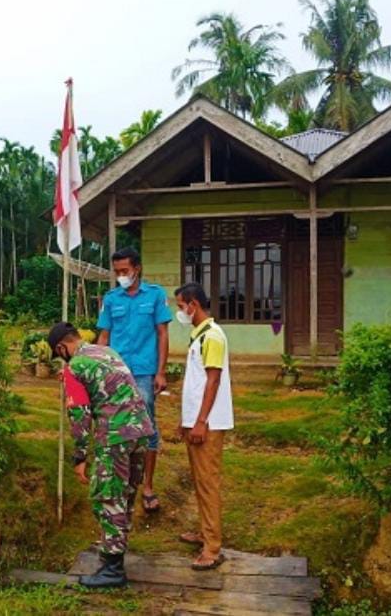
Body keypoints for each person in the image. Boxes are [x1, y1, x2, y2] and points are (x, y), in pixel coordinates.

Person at [48, 321, 154, 589]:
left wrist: (80, 455)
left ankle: (113, 570)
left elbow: (79, 414)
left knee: (107, 496)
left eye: (58, 354)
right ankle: (113, 551)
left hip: (115, 435)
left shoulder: (74, 368)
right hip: (141, 430)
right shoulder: (107, 352)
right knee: (126, 493)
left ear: (62, 347)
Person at [96, 247, 171, 513]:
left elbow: (162, 334)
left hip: (143, 373)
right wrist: (96, 367)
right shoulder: (111, 298)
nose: (121, 276)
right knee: (116, 426)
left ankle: (148, 486)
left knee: (147, 427)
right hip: (115, 374)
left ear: (137, 268)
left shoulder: (155, 296)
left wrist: (160, 372)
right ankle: (121, 480)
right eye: (117, 272)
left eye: (125, 271)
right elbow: (104, 337)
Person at [173, 282, 233, 571]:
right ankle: (205, 533)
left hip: (208, 423)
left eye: (180, 305)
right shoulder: (199, 337)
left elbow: (213, 380)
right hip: (196, 421)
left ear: (192, 305)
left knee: (208, 483)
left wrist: (199, 422)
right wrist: (184, 421)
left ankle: (212, 548)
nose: (179, 311)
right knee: (200, 481)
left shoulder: (213, 336)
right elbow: (195, 384)